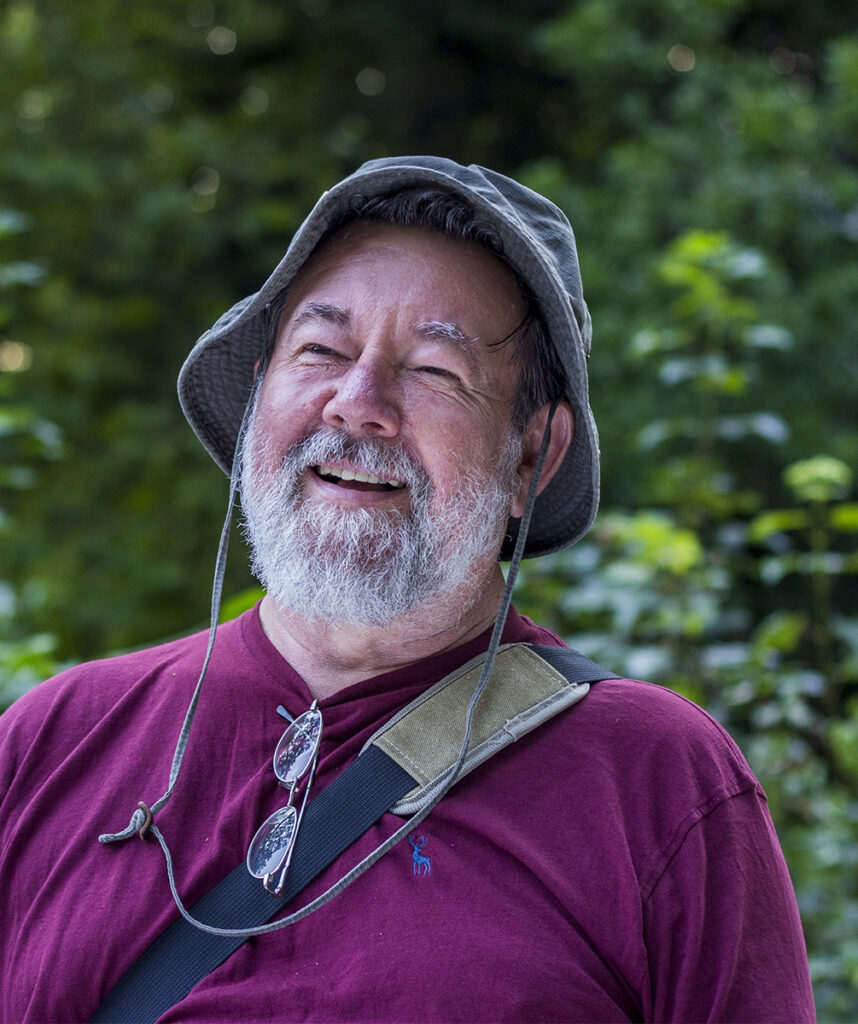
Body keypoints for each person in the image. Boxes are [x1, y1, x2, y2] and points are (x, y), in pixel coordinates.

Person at [0, 156, 815, 1022]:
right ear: (256, 399)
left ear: (532, 455)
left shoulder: (658, 784)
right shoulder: (50, 742)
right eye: (321, 351)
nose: (357, 404)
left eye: (432, 370)